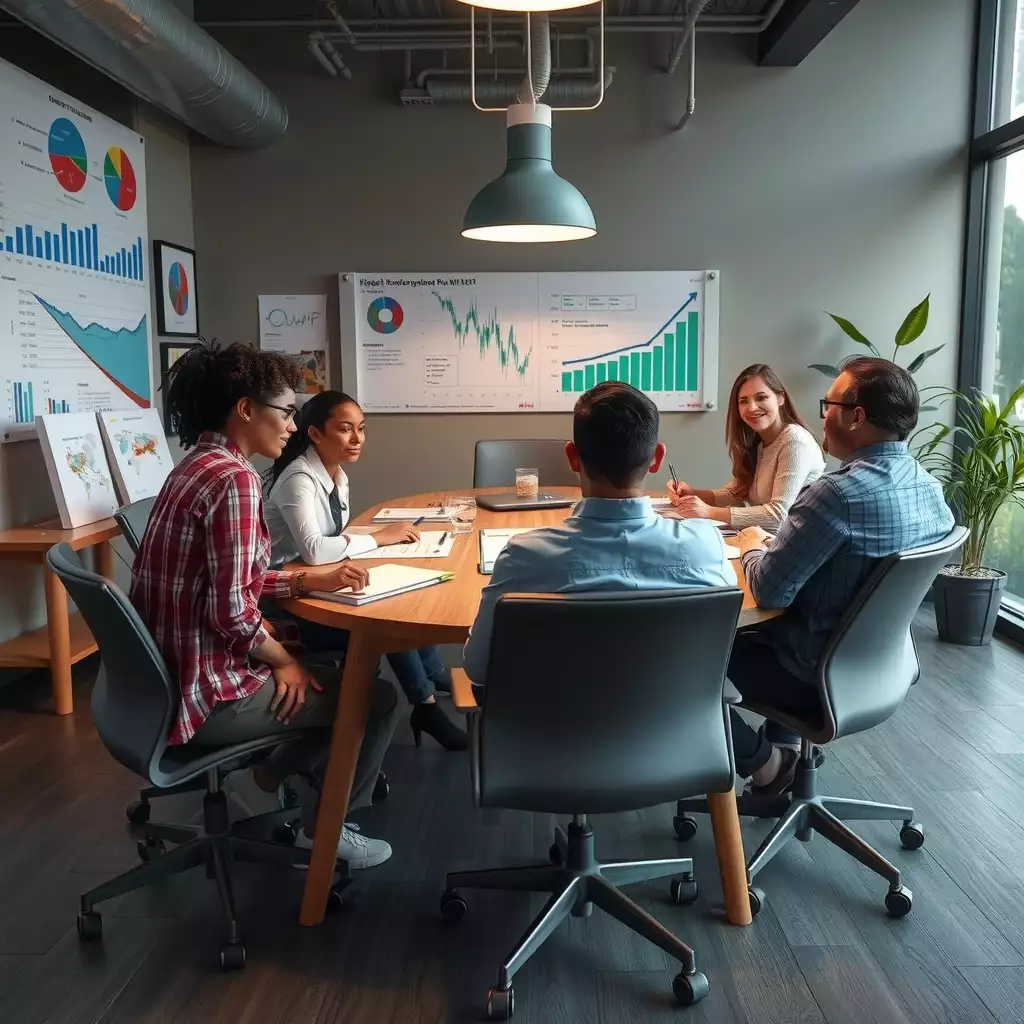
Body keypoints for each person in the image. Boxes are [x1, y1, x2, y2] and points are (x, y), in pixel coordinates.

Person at [130, 342, 397, 869]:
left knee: (333, 680)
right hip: (203, 692)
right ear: (246, 410)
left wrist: (302, 582)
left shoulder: (196, 465)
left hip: (159, 679)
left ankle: (267, 777)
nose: (294, 426)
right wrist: (284, 661)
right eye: (286, 412)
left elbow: (226, 580)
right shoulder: (236, 481)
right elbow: (231, 612)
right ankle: (323, 832)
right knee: (374, 698)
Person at [727, 357, 955, 794]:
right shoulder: (930, 489)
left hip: (809, 672)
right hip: (880, 665)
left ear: (858, 416)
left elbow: (769, 590)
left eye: (828, 404)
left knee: (681, 664)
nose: (822, 415)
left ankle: (766, 763)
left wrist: (753, 542)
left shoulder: (835, 495)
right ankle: (787, 757)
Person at [464, 381, 734, 683]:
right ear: (657, 458)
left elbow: (478, 669)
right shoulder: (706, 544)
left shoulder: (524, 557)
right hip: (677, 725)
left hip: (550, 726)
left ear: (572, 456)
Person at [264, 390, 466, 752]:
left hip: (313, 583)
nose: (357, 439)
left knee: (402, 597)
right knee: (384, 622)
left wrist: (381, 539)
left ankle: (433, 684)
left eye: (361, 429)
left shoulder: (335, 473)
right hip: (282, 600)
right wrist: (379, 538)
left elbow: (335, 538)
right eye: (345, 429)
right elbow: (313, 551)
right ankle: (427, 704)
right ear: (314, 433)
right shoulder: (300, 478)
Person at [668, 364, 824, 529]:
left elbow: (778, 515)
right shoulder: (757, 443)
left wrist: (708, 512)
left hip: (792, 546)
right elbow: (736, 494)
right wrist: (693, 493)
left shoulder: (795, 441)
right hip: (761, 540)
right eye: (743, 401)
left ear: (781, 399)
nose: (752, 407)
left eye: (761, 397)